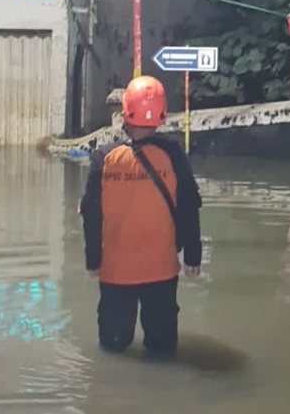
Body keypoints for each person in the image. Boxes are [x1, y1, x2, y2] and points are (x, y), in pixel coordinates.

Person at [79, 75, 203, 358]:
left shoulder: (104, 157)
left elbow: (90, 212)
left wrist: (92, 260)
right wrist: (192, 256)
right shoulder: (174, 156)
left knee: (112, 349)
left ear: (125, 112)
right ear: (161, 113)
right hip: (161, 270)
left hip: (115, 271)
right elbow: (188, 208)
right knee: (161, 352)